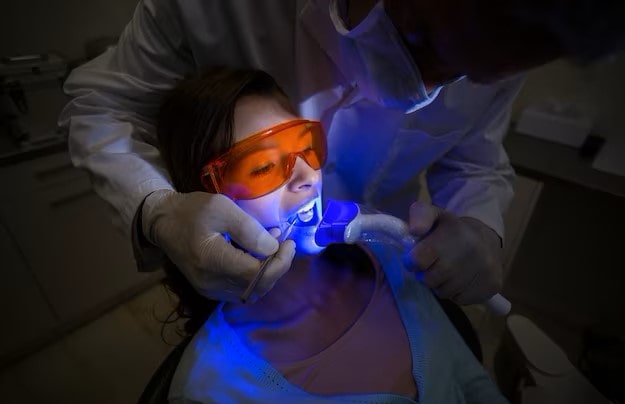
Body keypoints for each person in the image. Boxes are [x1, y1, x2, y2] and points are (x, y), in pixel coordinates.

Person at [59, 0, 625, 306]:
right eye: (421, 39)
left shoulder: (504, 39)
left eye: (467, 73)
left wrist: (481, 228)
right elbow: (101, 105)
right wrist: (155, 209)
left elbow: (475, 156)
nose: (418, 94)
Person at [157, 65, 507, 403]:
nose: (308, 176)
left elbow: (473, 384)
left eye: (305, 147)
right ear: (202, 209)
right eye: (263, 167)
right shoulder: (212, 390)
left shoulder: (389, 260)